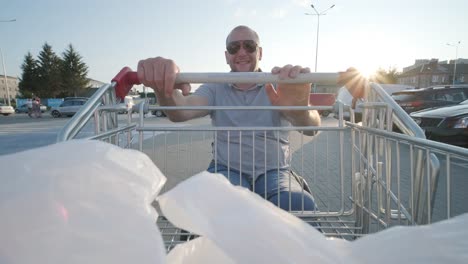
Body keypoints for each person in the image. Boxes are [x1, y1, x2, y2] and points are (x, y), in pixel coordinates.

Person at [137, 25, 366, 212]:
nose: (242, 52)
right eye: (234, 47)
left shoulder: (280, 84)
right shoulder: (215, 87)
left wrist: (299, 109)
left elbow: (311, 127)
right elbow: (180, 112)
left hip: (275, 170)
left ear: (260, 52)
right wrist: (163, 87)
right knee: (219, 203)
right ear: (226, 56)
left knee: (299, 205)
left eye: (249, 45)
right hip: (227, 169)